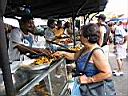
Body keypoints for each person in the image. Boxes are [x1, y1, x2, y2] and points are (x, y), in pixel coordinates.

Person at [53, 23, 113, 95]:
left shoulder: (96, 52)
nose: (79, 37)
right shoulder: (86, 48)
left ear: (87, 38)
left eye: (81, 35)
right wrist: (62, 53)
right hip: (85, 88)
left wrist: (89, 80)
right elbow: (75, 56)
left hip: (93, 90)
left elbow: (108, 73)